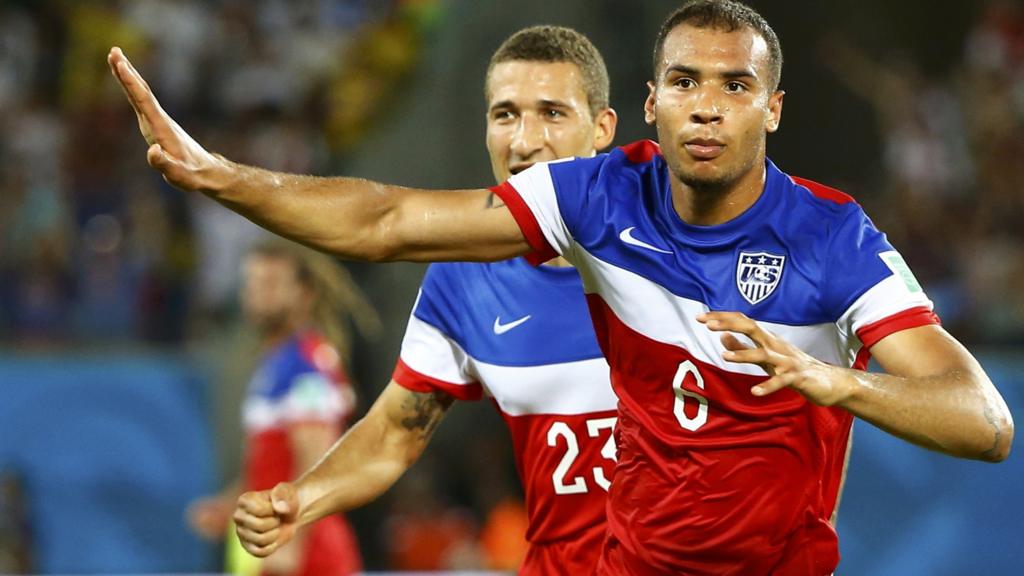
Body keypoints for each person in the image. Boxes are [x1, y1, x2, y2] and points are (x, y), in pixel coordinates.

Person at [110, 1, 1014, 574]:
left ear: (771, 107)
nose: (708, 105)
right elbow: (387, 227)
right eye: (687, 82)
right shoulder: (574, 214)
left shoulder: (831, 239)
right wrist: (224, 177)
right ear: (654, 102)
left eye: (736, 86)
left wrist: (839, 381)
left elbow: (986, 423)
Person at [231, 26, 620, 574]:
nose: (524, 140)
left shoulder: (672, 241)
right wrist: (301, 499)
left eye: (552, 113)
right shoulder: (465, 279)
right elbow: (393, 432)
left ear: (602, 128)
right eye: (505, 115)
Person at [187, 239, 379, 576]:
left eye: (271, 283)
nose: (257, 294)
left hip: (310, 556)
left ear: (304, 294)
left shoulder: (305, 365)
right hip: (274, 547)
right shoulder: (276, 363)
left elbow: (315, 459)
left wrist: (293, 544)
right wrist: (229, 504)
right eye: (252, 283)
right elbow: (268, 464)